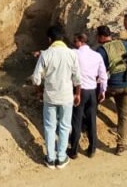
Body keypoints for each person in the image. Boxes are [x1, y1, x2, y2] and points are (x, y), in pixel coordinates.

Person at [31, 24, 81, 168]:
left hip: (50, 97)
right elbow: (77, 78)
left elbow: (36, 78)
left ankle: (50, 158)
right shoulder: (72, 54)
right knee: (65, 126)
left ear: (49, 39)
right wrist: (77, 94)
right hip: (66, 97)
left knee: (49, 127)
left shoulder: (45, 54)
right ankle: (61, 157)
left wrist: (39, 91)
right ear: (62, 38)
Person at [95, 25, 127, 154]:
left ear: (102, 36)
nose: (97, 38)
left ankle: (87, 125)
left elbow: (98, 71)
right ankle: (121, 145)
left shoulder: (101, 50)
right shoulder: (124, 44)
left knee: (95, 100)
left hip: (113, 86)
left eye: (97, 36)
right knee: (124, 115)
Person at [68, 32, 106, 159]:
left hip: (79, 90)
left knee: (77, 120)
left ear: (79, 41)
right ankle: (92, 148)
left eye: (75, 41)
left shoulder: (74, 53)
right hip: (93, 91)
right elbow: (103, 75)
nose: (74, 43)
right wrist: (102, 91)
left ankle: (73, 150)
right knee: (91, 120)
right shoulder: (97, 55)